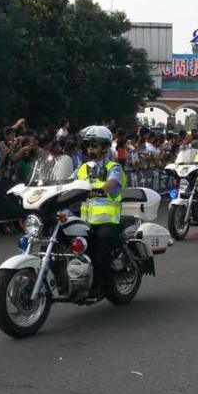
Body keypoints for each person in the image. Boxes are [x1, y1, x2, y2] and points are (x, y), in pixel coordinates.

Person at [72, 125, 126, 293]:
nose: (90, 148)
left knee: (101, 251)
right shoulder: (82, 168)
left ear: (104, 147)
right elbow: (67, 182)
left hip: (107, 221)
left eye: (94, 145)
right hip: (85, 221)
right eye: (88, 145)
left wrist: (100, 191)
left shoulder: (113, 167)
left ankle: (103, 283)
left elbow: (113, 183)